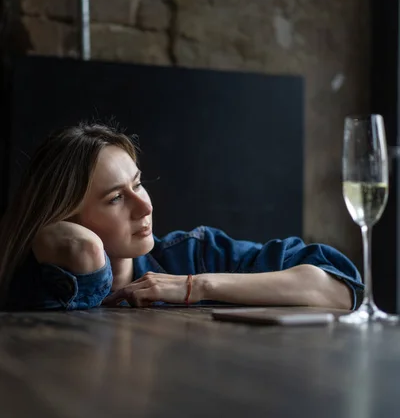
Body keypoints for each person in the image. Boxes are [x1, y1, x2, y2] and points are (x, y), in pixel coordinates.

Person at [0, 122, 363, 311]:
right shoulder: (28, 286)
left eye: (138, 184)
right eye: (115, 198)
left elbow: (339, 286)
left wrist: (195, 285)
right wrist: (87, 258)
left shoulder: (191, 255)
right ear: (67, 216)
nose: (144, 207)